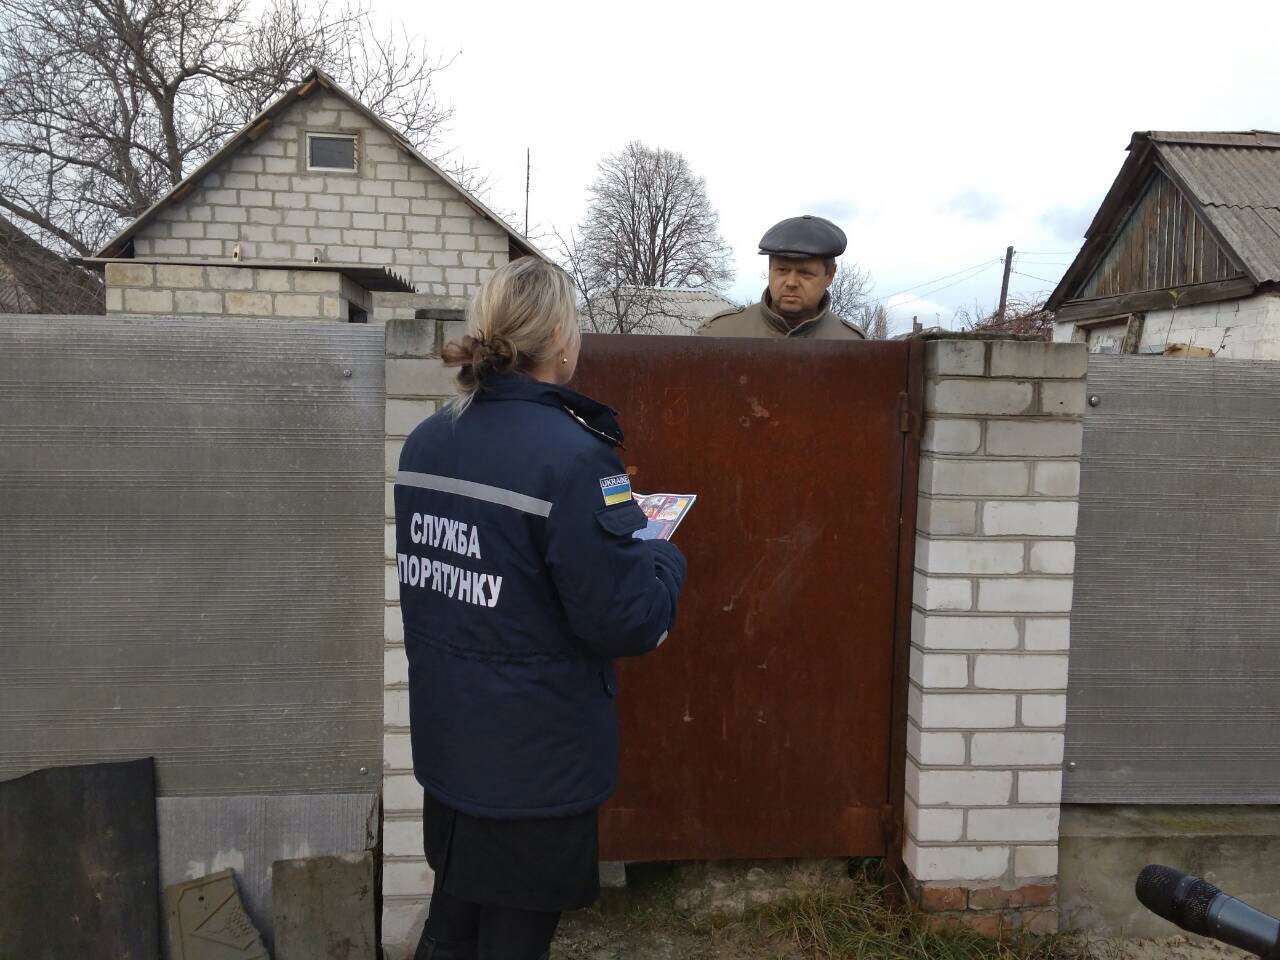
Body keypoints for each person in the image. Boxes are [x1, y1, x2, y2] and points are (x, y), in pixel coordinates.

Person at [394, 257, 688, 960]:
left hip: (452, 739)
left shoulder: (427, 440)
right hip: (535, 763)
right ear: (559, 335)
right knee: (512, 938)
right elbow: (626, 619)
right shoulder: (579, 459)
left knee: (452, 926)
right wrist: (663, 559)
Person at [699, 214, 865, 339]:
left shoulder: (852, 343)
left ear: (830, 275)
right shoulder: (720, 333)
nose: (791, 283)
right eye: (782, 270)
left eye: (805, 273)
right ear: (769, 269)